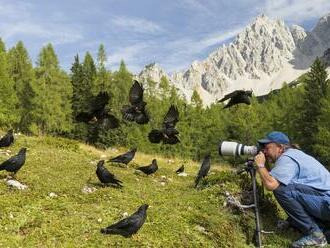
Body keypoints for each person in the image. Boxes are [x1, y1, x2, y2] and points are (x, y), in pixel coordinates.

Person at [254, 131, 330, 248]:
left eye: (267, 147)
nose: (264, 151)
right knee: (289, 187)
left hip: (326, 202)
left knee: (281, 190)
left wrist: (260, 165)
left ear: (280, 147)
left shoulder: (287, 158)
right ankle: (321, 228)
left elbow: (271, 184)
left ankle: (316, 236)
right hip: (324, 202)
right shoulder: (295, 154)